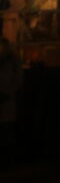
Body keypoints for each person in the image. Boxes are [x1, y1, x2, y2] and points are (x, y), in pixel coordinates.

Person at [0, 37, 21, 168]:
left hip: (7, 99)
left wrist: (7, 93)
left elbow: (17, 80)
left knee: (7, 130)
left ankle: (8, 159)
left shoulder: (12, 60)